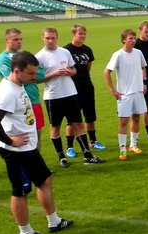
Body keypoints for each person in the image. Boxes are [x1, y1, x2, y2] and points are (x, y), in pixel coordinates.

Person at [0, 52, 73, 234]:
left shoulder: (19, 85)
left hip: (27, 148)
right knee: (20, 191)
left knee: (45, 179)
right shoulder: (7, 92)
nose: (34, 78)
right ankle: (26, 233)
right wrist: (9, 140)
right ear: (17, 71)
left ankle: (54, 221)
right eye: (31, 74)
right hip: (16, 151)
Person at [36, 27, 102, 166]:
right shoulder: (39, 57)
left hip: (70, 93)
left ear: (57, 38)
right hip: (53, 96)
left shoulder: (64, 52)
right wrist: (54, 74)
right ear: (42, 38)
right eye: (47, 38)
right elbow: (36, 79)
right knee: (55, 126)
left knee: (78, 123)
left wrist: (70, 72)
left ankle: (87, 155)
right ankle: (61, 157)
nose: (50, 40)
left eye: (53, 38)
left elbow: (74, 69)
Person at [0, 29, 46, 150]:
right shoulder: (2, 59)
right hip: (17, 103)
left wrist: (31, 74)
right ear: (7, 40)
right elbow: (12, 78)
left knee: (36, 133)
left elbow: (41, 75)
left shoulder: (25, 57)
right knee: (22, 135)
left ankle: (35, 163)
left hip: (33, 99)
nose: (19, 42)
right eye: (15, 39)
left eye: (20, 39)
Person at [104, 29, 148, 161]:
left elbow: (143, 67)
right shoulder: (118, 55)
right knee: (123, 121)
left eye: (134, 38)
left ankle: (133, 145)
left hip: (138, 91)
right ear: (124, 40)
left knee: (136, 118)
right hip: (125, 94)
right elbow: (106, 72)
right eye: (130, 38)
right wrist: (113, 90)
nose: (133, 41)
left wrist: (144, 83)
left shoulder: (138, 53)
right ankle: (122, 149)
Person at [63, 24, 106, 156]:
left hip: (87, 86)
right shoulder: (66, 50)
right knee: (72, 119)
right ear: (73, 34)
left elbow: (88, 67)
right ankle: (70, 147)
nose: (82, 36)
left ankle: (93, 141)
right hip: (72, 89)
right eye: (80, 34)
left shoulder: (88, 50)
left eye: (84, 34)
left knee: (90, 116)